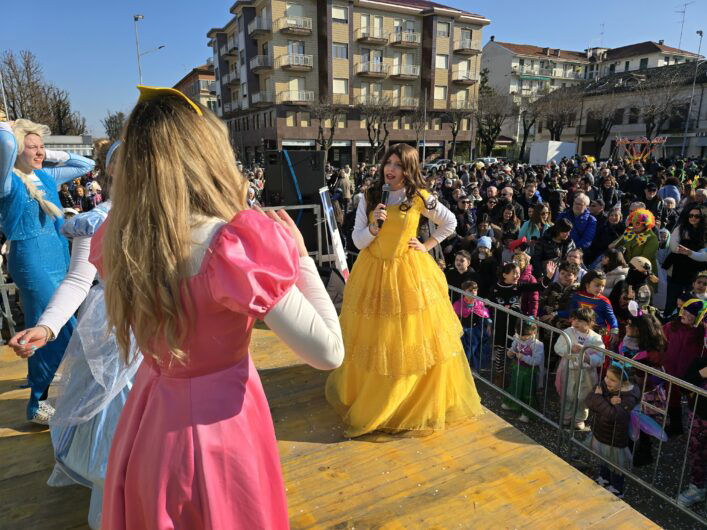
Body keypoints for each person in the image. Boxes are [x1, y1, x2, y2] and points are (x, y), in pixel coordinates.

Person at [94, 87, 345, 529]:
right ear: (206, 154)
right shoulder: (232, 246)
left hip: (151, 423)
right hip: (223, 430)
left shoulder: (122, 240)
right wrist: (302, 261)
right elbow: (329, 353)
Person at [325, 143, 483, 437]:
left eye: (398, 165)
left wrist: (425, 246)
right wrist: (374, 227)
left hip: (407, 274)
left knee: (406, 339)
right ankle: (375, 398)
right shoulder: (370, 196)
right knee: (378, 338)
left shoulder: (420, 197)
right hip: (373, 273)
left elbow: (449, 222)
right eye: (389, 163)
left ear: (408, 169)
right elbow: (358, 241)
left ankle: (405, 402)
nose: (391, 169)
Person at [8, 142, 121, 529]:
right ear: (112, 174)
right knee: (114, 431)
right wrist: (47, 325)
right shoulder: (97, 220)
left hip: (164, 342)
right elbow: (78, 279)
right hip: (115, 336)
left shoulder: (176, 215)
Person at [0, 119, 95, 423]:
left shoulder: (46, 175)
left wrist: (43, 150)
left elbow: (85, 162)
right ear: (16, 151)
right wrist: (8, 128)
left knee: (54, 320)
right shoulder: (7, 180)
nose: (40, 153)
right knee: (54, 325)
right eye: (33, 148)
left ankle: (41, 380)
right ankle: (37, 402)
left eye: (42, 147)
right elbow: (4, 143)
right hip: (31, 261)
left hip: (59, 257)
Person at [586, 363, 641, 498]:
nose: (606, 381)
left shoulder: (629, 396)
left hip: (615, 438)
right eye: (606, 376)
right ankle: (604, 478)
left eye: (612, 379)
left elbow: (614, 415)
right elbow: (589, 400)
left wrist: (599, 399)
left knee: (616, 465)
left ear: (624, 382)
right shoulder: (605, 385)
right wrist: (609, 401)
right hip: (601, 432)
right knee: (603, 458)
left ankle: (617, 488)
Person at [554, 308, 605, 431]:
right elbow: (557, 347)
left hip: (587, 373)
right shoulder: (567, 332)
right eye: (574, 319)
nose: (576, 322)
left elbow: (600, 357)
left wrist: (587, 356)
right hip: (568, 369)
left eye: (580, 320)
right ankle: (566, 415)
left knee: (584, 396)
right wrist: (570, 348)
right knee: (567, 393)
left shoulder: (596, 338)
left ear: (590, 322)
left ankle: (579, 418)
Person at [663, 299, 707, 436]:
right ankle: (676, 426)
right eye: (685, 311)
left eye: (692, 314)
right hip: (670, 370)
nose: (687, 316)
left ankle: (695, 430)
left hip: (689, 374)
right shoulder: (670, 326)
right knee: (672, 399)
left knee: (692, 401)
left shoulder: (701, 333)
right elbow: (661, 341)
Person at [663, 204, 707, 318]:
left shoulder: (705, 233)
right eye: (690, 215)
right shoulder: (680, 228)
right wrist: (693, 252)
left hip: (694, 274)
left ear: (702, 218)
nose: (693, 218)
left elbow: (704, 256)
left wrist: (689, 252)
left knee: (691, 303)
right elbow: (673, 247)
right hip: (676, 271)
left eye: (697, 216)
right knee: (672, 302)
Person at [558, 270, 619, 348]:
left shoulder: (604, 301)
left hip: (596, 335)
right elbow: (570, 312)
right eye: (597, 285)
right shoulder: (577, 296)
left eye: (603, 286)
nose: (600, 288)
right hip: (578, 332)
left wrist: (615, 332)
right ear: (587, 285)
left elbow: (612, 318)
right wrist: (555, 314)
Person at [501, 320, 544, 423]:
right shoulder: (517, 338)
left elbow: (537, 361)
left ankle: (527, 412)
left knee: (527, 391)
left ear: (534, 333)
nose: (522, 337)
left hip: (529, 372)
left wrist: (524, 357)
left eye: (525, 336)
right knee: (515, 385)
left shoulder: (537, 345)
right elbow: (513, 348)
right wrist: (510, 353)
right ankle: (512, 404)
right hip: (517, 368)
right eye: (519, 334)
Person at [679, 355, 707, 507]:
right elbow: (683, 386)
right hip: (699, 417)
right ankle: (697, 488)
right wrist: (701, 374)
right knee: (697, 453)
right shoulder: (701, 361)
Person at [452, 280, 491, 371]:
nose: (473, 292)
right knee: (467, 352)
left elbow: (485, 314)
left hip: (477, 330)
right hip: (464, 332)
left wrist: (489, 324)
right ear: (463, 292)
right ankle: (463, 369)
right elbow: (454, 318)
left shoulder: (479, 302)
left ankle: (475, 370)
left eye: (475, 290)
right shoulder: (458, 304)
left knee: (477, 351)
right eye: (470, 291)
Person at [614, 208, 659, 274]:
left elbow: (642, 260)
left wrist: (624, 263)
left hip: (641, 273)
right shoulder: (630, 231)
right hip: (625, 269)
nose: (634, 225)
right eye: (633, 222)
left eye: (638, 223)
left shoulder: (652, 238)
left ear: (645, 225)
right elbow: (613, 245)